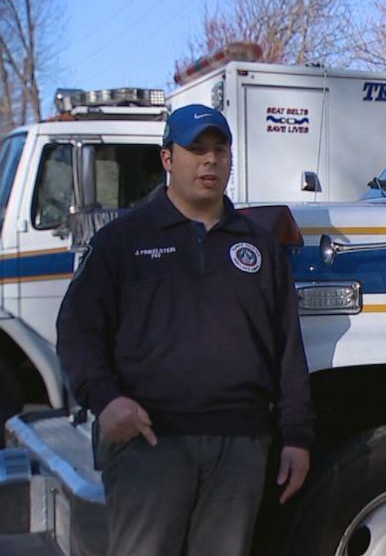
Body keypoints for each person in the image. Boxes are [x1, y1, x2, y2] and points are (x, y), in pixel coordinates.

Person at [56, 104, 314, 556]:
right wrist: (104, 398)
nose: (210, 161)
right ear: (168, 159)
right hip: (149, 443)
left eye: (220, 150)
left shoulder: (258, 246)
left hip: (240, 447)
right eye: (196, 149)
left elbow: (288, 348)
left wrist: (296, 436)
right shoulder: (123, 240)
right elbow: (78, 331)